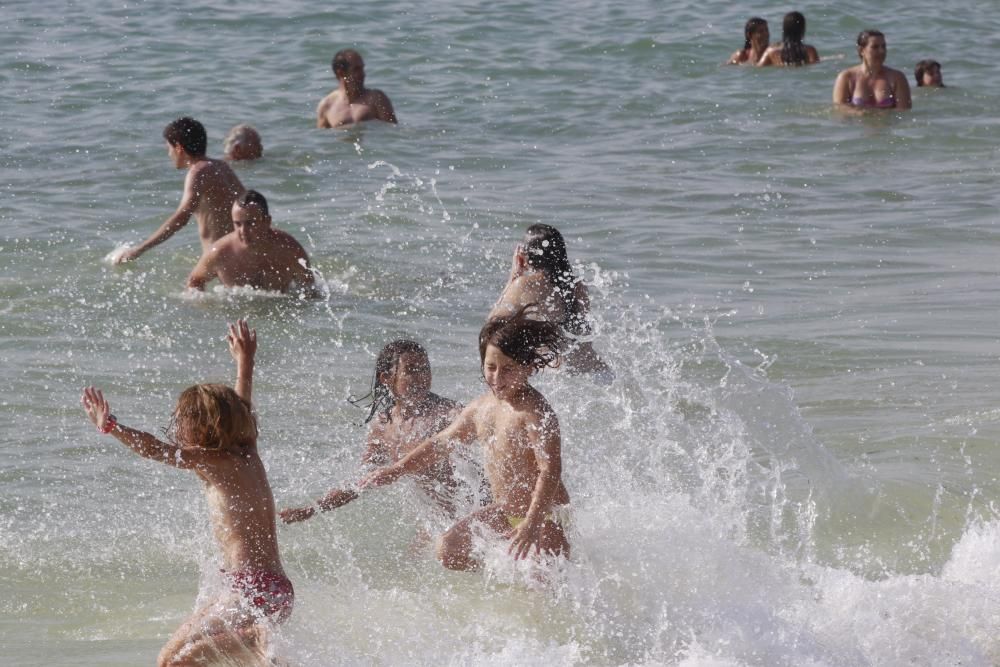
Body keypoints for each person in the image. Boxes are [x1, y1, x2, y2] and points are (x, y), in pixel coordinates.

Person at [80, 320, 292, 666]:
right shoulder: (248, 449)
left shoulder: (212, 460)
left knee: (179, 663)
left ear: (204, 428)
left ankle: (256, 637)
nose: (178, 428)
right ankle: (256, 642)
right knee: (167, 660)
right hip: (272, 590)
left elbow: (156, 449)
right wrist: (245, 362)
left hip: (249, 592)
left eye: (184, 422)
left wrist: (113, 427)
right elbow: (244, 405)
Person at [360, 306, 572, 571]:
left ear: (528, 367)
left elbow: (550, 470)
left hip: (545, 515)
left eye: (508, 369)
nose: (496, 377)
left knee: (544, 591)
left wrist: (531, 522)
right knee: (449, 549)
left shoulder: (535, 413)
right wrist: (397, 469)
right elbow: (441, 443)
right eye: (491, 367)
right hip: (505, 511)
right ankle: (500, 574)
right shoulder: (480, 408)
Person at [280, 340, 468, 523]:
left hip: (468, 513)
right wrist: (312, 510)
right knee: (412, 556)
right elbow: (361, 481)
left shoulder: (447, 414)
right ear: (385, 378)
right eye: (411, 370)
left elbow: (480, 422)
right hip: (437, 520)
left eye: (425, 369)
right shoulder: (383, 427)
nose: (421, 377)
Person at [490, 224, 612, 380]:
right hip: (600, 373)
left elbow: (491, 326)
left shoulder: (524, 285)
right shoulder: (578, 286)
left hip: (560, 377)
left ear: (523, 257)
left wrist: (513, 277)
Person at [117, 117, 245, 264]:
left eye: (168, 148)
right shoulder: (222, 166)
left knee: (193, 284)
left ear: (178, 148)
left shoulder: (197, 172)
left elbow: (181, 218)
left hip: (220, 257)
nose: (169, 154)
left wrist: (139, 249)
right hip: (240, 252)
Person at [186, 190, 316, 295]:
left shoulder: (289, 249)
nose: (243, 231)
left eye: (250, 223)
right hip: (238, 318)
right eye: (237, 224)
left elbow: (310, 288)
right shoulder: (220, 253)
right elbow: (195, 281)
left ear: (267, 221)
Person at [833, 30, 912, 110]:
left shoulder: (897, 78)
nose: (881, 51)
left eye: (883, 46)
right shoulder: (846, 77)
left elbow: (903, 112)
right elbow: (839, 109)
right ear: (861, 50)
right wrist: (858, 113)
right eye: (875, 47)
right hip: (857, 122)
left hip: (886, 122)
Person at [316, 49, 397, 128]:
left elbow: (392, 134)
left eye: (362, 68)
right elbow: (323, 139)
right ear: (341, 73)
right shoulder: (327, 106)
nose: (363, 74)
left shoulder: (376, 99)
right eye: (357, 69)